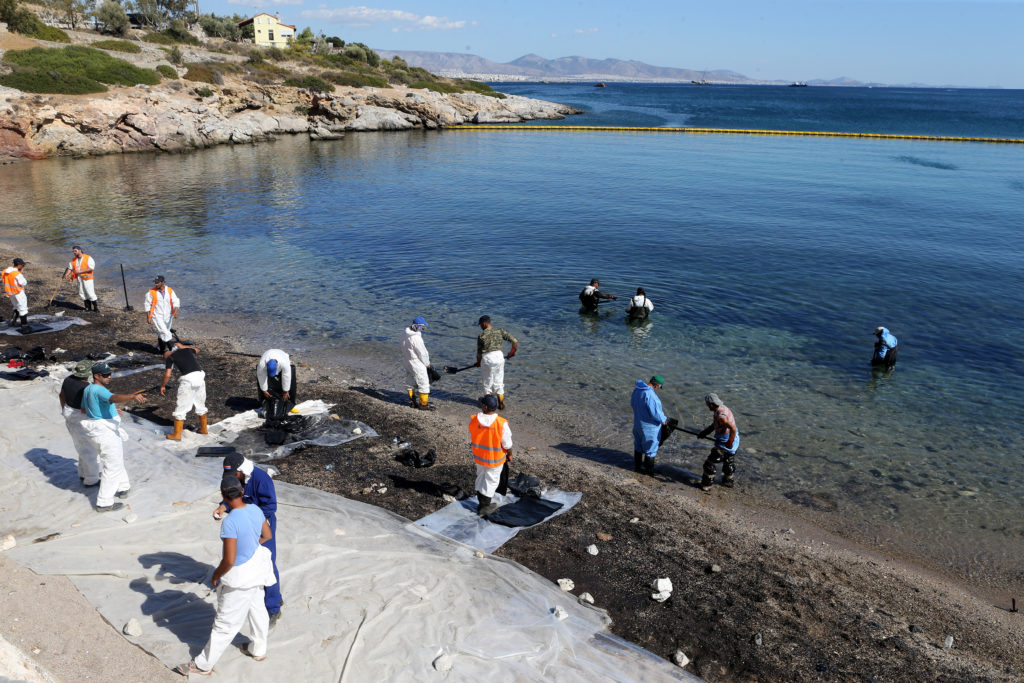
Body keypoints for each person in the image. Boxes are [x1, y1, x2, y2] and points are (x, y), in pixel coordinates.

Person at [176, 474, 274, 676]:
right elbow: (267, 535)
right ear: (242, 492)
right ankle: (258, 649)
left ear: (223, 495)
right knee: (258, 611)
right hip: (258, 569)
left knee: (225, 624)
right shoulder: (255, 510)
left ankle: (203, 664)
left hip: (240, 578)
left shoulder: (230, 523)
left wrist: (215, 575)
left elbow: (229, 560)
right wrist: (250, 546)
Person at [214, 453, 283, 626]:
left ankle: (273, 607)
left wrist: (255, 522)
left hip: (261, 524)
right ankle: (257, 595)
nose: (233, 479)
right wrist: (223, 506)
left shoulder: (262, 479)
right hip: (246, 522)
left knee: (267, 563)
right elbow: (234, 497)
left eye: (233, 476)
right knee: (245, 560)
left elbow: (270, 506)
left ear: (241, 471)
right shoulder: (238, 479)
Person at [80, 361, 146, 512]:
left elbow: (85, 409)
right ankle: (104, 503)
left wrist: (110, 409)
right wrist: (132, 396)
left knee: (115, 460)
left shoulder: (88, 389)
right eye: (105, 375)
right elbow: (114, 397)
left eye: (110, 374)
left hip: (96, 430)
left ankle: (123, 488)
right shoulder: (99, 389)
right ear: (96, 375)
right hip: (105, 432)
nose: (109, 377)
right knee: (112, 466)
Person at [469, 395, 512, 517]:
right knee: (491, 481)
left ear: (484, 407)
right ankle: (484, 507)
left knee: (481, 478)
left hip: (479, 457)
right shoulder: (501, 423)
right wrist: (510, 454)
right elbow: (507, 443)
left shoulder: (474, 419)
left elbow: (473, 433)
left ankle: (481, 503)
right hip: (494, 460)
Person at [59, 360, 99, 487]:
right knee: (90, 449)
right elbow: (87, 408)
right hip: (80, 417)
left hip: (69, 413)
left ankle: (83, 473)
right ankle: (91, 479)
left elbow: (61, 396)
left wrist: (64, 410)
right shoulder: (86, 387)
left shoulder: (68, 380)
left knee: (81, 446)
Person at [160, 342, 208, 441]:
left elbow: (168, 375)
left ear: (166, 355)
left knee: (181, 407)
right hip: (200, 377)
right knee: (200, 404)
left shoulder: (170, 358)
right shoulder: (186, 350)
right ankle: (203, 429)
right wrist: (183, 346)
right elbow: (197, 349)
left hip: (188, 380)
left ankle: (177, 435)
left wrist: (163, 385)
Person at [697, 393, 740, 492]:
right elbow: (714, 425)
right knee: (728, 462)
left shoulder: (721, 417)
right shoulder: (722, 408)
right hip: (734, 440)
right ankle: (728, 482)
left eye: (707, 404)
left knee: (709, 464)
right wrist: (704, 433)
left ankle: (706, 485)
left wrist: (729, 441)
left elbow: (732, 428)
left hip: (726, 442)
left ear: (711, 404)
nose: (707, 406)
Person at [475, 315, 518, 410]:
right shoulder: (500, 331)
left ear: (484, 324)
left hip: (487, 358)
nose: (481, 327)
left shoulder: (481, 336)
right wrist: (512, 352)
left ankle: (489, 405)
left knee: (487, 382)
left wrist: (478, 362)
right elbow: (515, 341)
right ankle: (501, 404)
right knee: (499, 381)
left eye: (481, 325)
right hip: (499, 357)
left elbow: (479, 353)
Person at [631, 375, 668, 475]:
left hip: (637, 425)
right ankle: (649, 471)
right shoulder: (651, 395)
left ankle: (637, 467)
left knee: (638, 446)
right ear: (656, 386)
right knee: (650, 450)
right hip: (649, 429)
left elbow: (632, 404)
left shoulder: (637, 390)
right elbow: (656, 413)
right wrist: (664, 420)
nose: (658, 389)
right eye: (660, 387)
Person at [402, 316, 435, 411]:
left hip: (406, 361)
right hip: (416, 363)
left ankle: (412, 402)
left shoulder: (404, 334)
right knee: (423, 383)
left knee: (410, 381)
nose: (423, 329)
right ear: (416, 326)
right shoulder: (415, 338)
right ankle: (423, 405)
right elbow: (422, 353)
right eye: (422, 327)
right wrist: (427, 364)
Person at [144, 276, 179, 353]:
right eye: (155, 282)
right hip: (157, 315)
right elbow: (147, 305)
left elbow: (176, 301)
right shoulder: (151, 292)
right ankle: (172, 347)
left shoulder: (170, 291)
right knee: (165, 332)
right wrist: (148, 317)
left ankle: (161, 348)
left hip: (168, 315)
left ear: (163, 282)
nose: (156, 284)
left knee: (162, 332)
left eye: (158, 282)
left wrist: (175, 311)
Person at [256, 349, 296, 417]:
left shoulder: (284, 363)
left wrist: (286, 391)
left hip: (282, 356)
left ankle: (288, 405)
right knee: (264, 383)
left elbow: (286, 376)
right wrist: (264, 390)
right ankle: (266, 406)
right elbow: (261, 377)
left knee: (288, 381)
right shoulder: (262, 364)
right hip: (267, 356)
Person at [67, 246, 98, 311]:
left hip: (88, 278)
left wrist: (79, 271)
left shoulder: (88, 258)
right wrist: (67, 274)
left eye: (75, 251)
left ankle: (96, 308)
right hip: (79, 279)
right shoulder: (74, 260)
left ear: (80, 250)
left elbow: (91, 268)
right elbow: (70, 268)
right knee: (82, 292)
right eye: (73, 251)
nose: (74, 252)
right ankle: (87, 308)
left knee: (90, 292)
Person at [3, 257, 28, 327]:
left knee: (16, 307)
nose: (23, 267)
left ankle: (13, 321)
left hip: (10, 293)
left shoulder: (6, 271)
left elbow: (3, 273)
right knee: (23, 309)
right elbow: (24, 283)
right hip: (18, 293)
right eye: (22, 265)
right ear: (19, 265)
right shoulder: (17, 274)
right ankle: (25, 326)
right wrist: (20, 273)